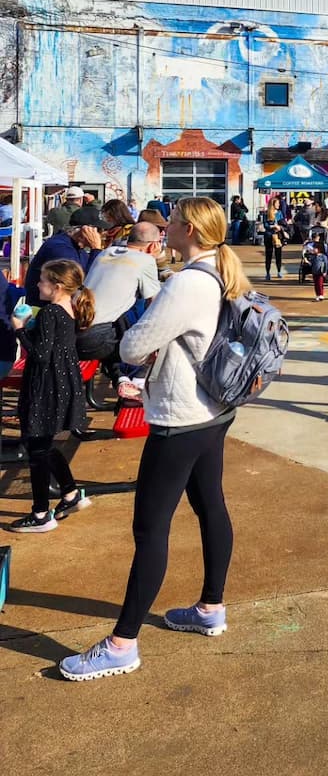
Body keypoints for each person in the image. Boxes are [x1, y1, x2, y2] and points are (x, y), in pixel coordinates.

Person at [59, 197, 249, 680]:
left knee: (150, 529)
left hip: (180, 416)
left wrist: (146, 342)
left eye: (172, 224)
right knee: (210, 505)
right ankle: (210, 607)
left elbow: (132, 344)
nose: (164, 232)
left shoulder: (186, 282)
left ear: (189, 230)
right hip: (213, 410)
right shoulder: (223, 272)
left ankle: (122, 643)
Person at [8, 260, 94, 533]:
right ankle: (70, 494)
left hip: (45, 386)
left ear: (56, 286)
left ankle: (41, 513)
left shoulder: (50, 313)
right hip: (61, 383)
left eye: (42, 280)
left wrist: (19, 328)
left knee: (37, 447)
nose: (37, 284)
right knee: (43, 442)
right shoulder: (69, 308)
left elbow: (40, 355)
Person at [76, 221, 162, 388]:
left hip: (75, 333)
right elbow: (155, 304)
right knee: (149, 324)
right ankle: (137, 378)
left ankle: (121, 377)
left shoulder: (106, 252)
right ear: (154, 245)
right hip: (97, 340)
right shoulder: (146, 261)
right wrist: (151, 258)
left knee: (122, 315)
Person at [24, 206, 103, 307]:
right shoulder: (60, 249)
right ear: (86, 231)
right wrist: (96, 249)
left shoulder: (77, 249)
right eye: (99, 230)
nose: (102, 234)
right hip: (47, 310)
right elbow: (83, 284)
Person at [260, 196, 288, 281]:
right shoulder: (266, 213)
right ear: (273, 204)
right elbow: (265, 225)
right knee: (268, 254)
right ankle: (268, 273)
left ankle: (279, 271)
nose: (279, 205)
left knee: (278, 254)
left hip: (278, 236)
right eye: (277, 203)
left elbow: (283, 223)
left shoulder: (279, 213)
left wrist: (280, 227)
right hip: (269, 235)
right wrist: (273, 226)